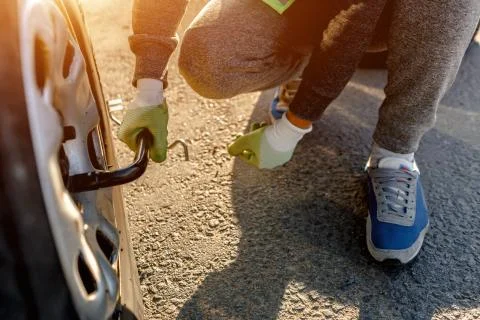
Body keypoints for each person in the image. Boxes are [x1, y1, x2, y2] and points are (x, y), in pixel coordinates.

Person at [118, 0, 480, 264]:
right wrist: (149, 86)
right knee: (212, 56)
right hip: (308, 9)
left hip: (401, 19)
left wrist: (293, 127)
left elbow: (358, 14)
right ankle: (301, 67)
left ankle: (395, 156)